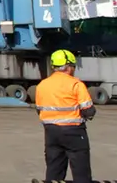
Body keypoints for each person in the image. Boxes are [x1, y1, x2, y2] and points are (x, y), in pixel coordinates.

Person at [35, 49, 96, 183]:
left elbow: (39, 110)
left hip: (51, 132)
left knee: (54, 170)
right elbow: (88, 110)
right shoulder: (76, 84)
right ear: (68, 66)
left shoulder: (42, 85)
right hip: (73, 132)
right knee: (81, 172)